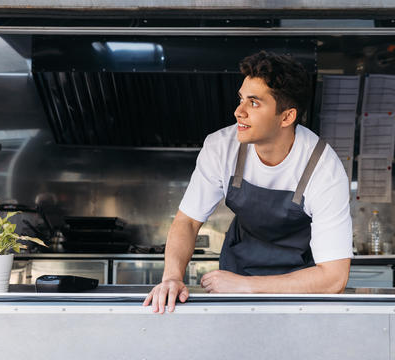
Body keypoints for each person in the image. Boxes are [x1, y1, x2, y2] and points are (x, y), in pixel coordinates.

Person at [143, 51, 353, 313]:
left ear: (287, 117)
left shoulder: (323, 168)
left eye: (253, 103)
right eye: (241, 99)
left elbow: (334, 278)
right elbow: (187, 221)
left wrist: (247, 286)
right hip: (237, 277)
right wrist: (172, 277)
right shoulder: (221, 147)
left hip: (301, 289)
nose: (238, 111)